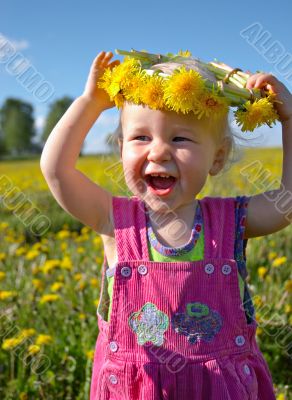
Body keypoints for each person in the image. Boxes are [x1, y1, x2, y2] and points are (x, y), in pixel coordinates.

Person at [40, 50, 292, 400]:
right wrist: (90, 102)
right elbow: (57, 170)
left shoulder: (231, 221)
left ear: (216, 157)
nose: (158, 152)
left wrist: (289, 119)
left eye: (180, 139)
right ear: (121, 149)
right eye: (141, 137)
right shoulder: (114, 221)